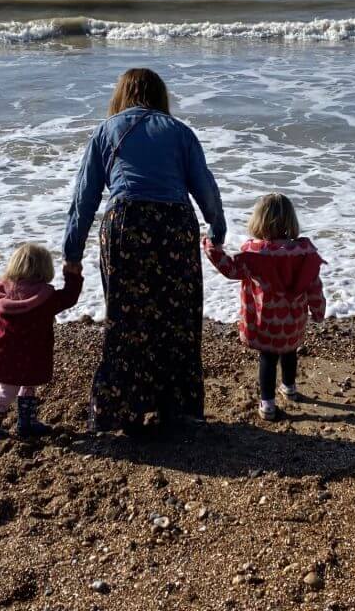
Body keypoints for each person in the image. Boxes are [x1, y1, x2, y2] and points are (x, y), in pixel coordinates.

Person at [63, 68, 226, 434]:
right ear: (160, 96)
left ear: (121, 95)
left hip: (126, 225)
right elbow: (206, 189)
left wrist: (71, 254)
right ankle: (177, 410)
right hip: (174, 226)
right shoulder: (180, 132)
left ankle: (123, 412)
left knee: (126, 320)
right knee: (178, 319)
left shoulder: (106, 132)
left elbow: (83, 199)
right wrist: (217, 229)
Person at [203, 193, 326, 420]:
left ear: (258, 221)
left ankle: (268, 405)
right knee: (290, 352)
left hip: (266, 322)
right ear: (291, 221)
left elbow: (229, 269)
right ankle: (289, 388)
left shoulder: (254, 255)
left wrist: (211, 246)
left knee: (268, 358)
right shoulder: (304, 254)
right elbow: (314, 286)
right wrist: (318, 311)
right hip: (293, 321)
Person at [0, 242, 82, 440]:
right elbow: (69, 297)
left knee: (19, 387)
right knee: (8, 393)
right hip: (32, 354)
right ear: (45, 268)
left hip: (3, 355)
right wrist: (72, 275)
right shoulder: (45, 297)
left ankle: (27, 423)